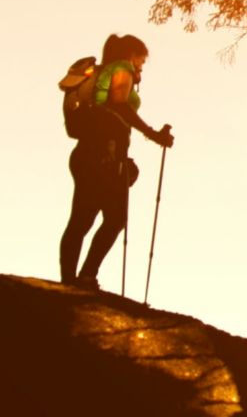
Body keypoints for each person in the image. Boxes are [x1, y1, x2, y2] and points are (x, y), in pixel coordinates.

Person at [59, 33, 174, 290]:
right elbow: (120, 105)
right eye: (142, 60)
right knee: (113, 219)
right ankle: (85, 276)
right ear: (133, 55)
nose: (142, 66)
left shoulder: (103, 72)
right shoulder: (122, 68)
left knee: (82, 219)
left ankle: (69, 280)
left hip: (88, 153)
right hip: (104, 156)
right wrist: (154, 134)